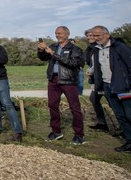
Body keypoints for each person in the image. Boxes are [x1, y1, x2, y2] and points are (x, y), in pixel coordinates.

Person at [37, 26, 85, 145]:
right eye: (56, 33)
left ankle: (79, 135)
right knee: (52, 105)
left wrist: (54, 54)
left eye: (60, 33)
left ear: (67, 34)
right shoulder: (53, 46)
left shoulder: (75, 49)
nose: (57, 35)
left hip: (68, 80)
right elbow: (43, 58)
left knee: (75, 108)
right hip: (53, 79)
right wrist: (41, 50)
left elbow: (73, 63)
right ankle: (56, 131)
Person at [88, 25, 131, 153]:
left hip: (123, 86)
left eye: (98, 35)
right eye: (94, 36)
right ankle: (129, 141)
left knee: (129, 114)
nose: (96, 38)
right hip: (108, 86)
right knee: (120, 115)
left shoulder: (119, 47)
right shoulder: (96, 49)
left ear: (107, 34)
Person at [84, 30, 109, 132]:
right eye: (88, 35)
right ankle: (102, 123)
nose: (89, 37)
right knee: (94, 99)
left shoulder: (99, 48)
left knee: (112, 101)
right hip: (97, 79)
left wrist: (91, 71)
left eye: (92, 35)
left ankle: (119, 125)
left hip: (104, 79)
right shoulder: (90, 48)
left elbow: (98, 64)